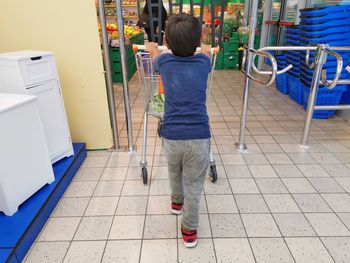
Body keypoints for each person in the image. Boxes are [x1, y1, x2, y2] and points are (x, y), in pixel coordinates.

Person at [145, 14, 212, 248]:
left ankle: (176, 203)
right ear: (197, 39)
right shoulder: (204, 63)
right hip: (199, 137)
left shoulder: (164, 62)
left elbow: (154, 55)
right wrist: (205, 49)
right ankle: (189, 231)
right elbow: (207, 55)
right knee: (194, 186)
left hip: (172, 136)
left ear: (168, 42)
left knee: (174, 173)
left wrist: (151, 47)